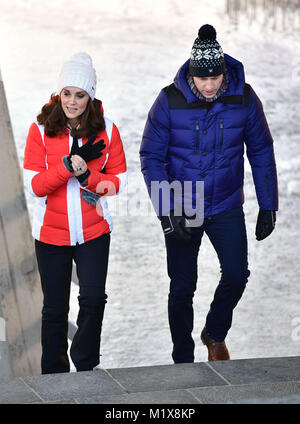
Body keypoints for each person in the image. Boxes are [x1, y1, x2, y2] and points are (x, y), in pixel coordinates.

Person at [140, 25, 278, 363]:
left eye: (215, 77)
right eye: (203, 78)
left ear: (223, 72)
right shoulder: (169, 100)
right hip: (183, 203)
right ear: (192, 72)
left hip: (226, 202)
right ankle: (182, 357)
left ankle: (214, 333)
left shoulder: (243, 98)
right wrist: (166, 209)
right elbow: (151, 157)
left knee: (236, 274)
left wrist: (268, 204)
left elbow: (260, 150)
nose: (210, 85)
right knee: (182, 286)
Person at [23, 52, 127, 374]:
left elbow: (118, 181)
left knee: (94, 300)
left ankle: (85, 366)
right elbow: (35, 185)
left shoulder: (107, 130)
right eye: (66, 93)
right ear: (58, 93)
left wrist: (89, 178)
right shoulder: (40, 130)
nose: (72, 101)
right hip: (52, 235)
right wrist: (67, 167)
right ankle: (53, 374)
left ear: (90, 96)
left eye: (80, 95)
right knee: (55, 309)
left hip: (94, 231)